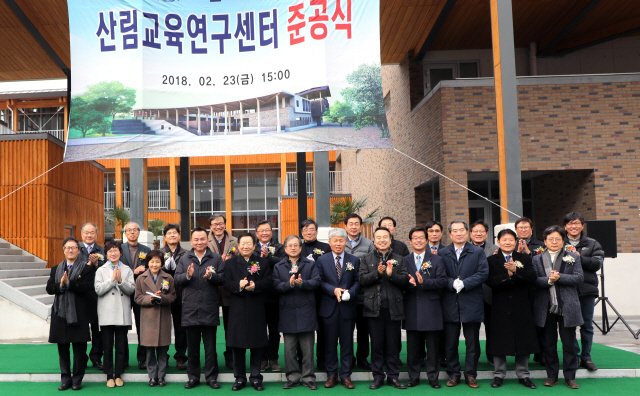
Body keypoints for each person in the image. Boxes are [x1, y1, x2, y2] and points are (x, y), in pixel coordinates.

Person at [532, 225, 584, 389]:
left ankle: (570, 377)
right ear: (545, 241)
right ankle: (552, 376)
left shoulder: (573, 257)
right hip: (545, 306)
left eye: (558, 239)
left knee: (568, 343)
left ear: (563, 241)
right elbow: (534, 280)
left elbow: (579, 278)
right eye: (550, 239)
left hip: (567, 305)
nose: (554, 242)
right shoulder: (536, 259)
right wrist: (549, 280)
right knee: (549, 343)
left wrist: (560, 277)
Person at [485, 229, 538, 389]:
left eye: (511, 240)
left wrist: (517, 271)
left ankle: (523, 375)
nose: (507, 242)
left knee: (523, 340)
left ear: (516, 242)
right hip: (499, 306)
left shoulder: (524, 259)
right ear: (499, 242)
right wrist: (507, 276)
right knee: (499, 340)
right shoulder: (491, 260)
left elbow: (532, 278)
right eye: (504, 240)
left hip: (521, 305)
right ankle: (499, 375)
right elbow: (489, 281)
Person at [439, 220, 488, 389]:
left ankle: (471, 374)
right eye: (455, 231)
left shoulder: (477, 252)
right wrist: (451, 283)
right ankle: (453, 374)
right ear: (450, 234)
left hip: (471, 302)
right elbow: (439, 275)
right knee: (450, 342)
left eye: (462, 230)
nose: (459, 233)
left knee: (472, 342)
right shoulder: (442, 252)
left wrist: (465, 283)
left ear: (467, 233)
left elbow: (483, 273)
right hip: (450, 302)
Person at [175, 227, 225, 389]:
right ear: (191, 241)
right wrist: (187, 276)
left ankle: (211, 377)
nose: (199, 242)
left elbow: (223, 279)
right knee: (193, 347)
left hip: (209, 307)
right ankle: (193, 377)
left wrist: (212, 276)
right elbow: (176, 279)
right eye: (196, 239)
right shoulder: (184, 259)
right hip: (190, 308)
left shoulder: (216, 258)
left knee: (210, 347)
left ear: (207, 240)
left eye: (202, 239)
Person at [359, 227, 409, 389]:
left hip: (394, 308)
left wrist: (390, 274)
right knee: (377, 344)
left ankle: (393, 377)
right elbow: (362, 280)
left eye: (385, 237)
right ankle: (378, 376)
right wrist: (378, 273)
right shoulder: (366, 259)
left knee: (393, 344)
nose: (382, 240)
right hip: (374, 308)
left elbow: (404, 281)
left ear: (390, 239)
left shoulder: (400, 259)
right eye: (378, 237)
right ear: (374, 240)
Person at [223, 233, 272, 391]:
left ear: (254, 245)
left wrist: (255, 286)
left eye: (249, 243)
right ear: (238, 245)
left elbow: (269, 282)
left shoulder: (263, 263)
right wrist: (238, 285)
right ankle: (239, 378)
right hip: (237, 308)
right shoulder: (230, 264)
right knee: (237, 345)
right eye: (243, 243)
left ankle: (256, 378)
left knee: (257, 345)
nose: (245, 246)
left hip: (256, 307)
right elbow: (226, 283)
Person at [273, 235, 321, 390]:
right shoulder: (279, 266)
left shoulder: (310, 264)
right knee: (289, 349)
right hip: (287, 312)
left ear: (301, 248)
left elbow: (317, 282)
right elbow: (276, 286)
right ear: (285, 248)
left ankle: (308, 378)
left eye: (296, 245)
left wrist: (302, 283)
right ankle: (292, 377)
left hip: (306, 310)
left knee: (307, 349)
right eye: (290, 245)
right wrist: (289, 284)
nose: (293, 248)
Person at [47, 237, 95, 391]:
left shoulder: (87, 269)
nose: (70, 250)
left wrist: (70, 284)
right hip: (60, 315)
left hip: (78, 315)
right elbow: (49, 288)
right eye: (68, 247)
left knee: (79, 350)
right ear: (63, 249)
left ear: (78, 250)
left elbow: (88, 288)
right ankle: (65, 379)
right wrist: (60, 286)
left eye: (74, 247)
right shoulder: (56, 269)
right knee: (63, 349)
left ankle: (77, 379)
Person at [403, 227, 447, 389]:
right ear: (410, 241)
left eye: (422, 237)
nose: (419, 240)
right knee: (413, 347)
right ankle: (413, 377)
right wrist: (409, 285)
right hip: (412, 307)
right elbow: (400, 283)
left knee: (433, 347)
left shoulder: (436, 260)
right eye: (415, 238)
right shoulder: (405, 260)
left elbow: (442, 282)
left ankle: (433, 377)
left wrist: (424, 282)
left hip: (431, 308)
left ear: (427, 240)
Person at [316, 228, 360, 390]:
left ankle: (346, 375)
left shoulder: (353, 260)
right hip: (329, 308)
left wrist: (351, 292)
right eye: (335, 240)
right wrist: (333, 290)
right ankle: (331, 374)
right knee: (329, 343)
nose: (338, 243)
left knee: (347, 343)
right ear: (330, 243)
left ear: (345, 242)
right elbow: (319, 281)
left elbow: (358, 281)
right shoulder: (322, 260)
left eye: (341, 240)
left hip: (347, 308)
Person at [563, 212, 604, 372]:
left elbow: (597, 264)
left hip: (587, 289)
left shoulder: (593, 244)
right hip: (567, 289)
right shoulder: (559, 241)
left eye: (577, 223)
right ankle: (573, 355)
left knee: (587, 325)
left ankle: (586, 357)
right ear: (565, 226)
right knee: (570, 325)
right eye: (570, 223)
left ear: (582, 225)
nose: (573, 226)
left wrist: (579, 257)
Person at [94, 241, 135, 388]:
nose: (113, 253)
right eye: (110, 251)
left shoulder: (127, 269)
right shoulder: (100, 270)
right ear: (106, 254)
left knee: (120, 346)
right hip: (106, 312)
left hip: (122, 313)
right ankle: (109, 375)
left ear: (120, 253)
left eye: (116, 250)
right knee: (107, 346)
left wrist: (120, 281)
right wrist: (112, 280)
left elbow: (131, 290)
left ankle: (118, 374)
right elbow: (98, 289)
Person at [134, 250, 176, 387]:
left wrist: (161, 298)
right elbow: (138, 298)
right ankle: (152, 376)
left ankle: (161, 376)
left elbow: (172, 296)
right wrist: (150, 298)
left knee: (163, 350)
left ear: (162, 263)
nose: (154, 264)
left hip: (163, 316)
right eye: (152, 261)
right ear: (148, 262)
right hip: (148, 319)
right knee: (150, 351)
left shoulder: (168, 278)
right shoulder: (141, 278)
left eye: (158, 261)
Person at [207, 214, 239, 370]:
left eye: (220, 223)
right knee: (210, 327)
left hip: (229, 288)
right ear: (210, 226)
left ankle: (231, 357)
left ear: (225, 224)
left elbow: (240, 261)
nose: (217, 226)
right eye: (214, 224)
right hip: (211, 288)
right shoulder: (204, 240)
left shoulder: (235, 241)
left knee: (230, 326)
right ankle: (212, 359)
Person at [343, 213, 373, 370]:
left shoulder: (369, 244)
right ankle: (348, 359)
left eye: (356, 223)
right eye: (351, 223)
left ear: (360, 226)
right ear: (345, 226)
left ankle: (362, 358)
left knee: (363, 331)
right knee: (346, 331)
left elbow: (371, 265)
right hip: (343, 295)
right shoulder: (340, 242)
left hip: (362, 295)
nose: (354, 226)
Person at [299, 219, 330, 371]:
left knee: (324, 331)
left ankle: (323, 361)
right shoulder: (298, 248)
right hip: (303, 295)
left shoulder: (325, 247)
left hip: (323, 295)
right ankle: (302, 362)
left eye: (311, 229)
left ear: (316, 231)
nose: (309, 232)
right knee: (304, 331)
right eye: (305, 229)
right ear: (301, 233)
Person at [254, 220, 285, 372]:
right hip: (257, 295)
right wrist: (261, 258)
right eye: (261, 230)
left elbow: (284, 262)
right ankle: (261, 359)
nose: (265, 233)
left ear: (272, 232)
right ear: (256, 233)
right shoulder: (252, 247)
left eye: (267, 230)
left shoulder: (279, 247)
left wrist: (269, 258)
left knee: (274, 330)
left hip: (274, 296)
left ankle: (273, 359)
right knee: (259, 329)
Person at [119, 222, 150, 369]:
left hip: (141, 292)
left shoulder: (146, 250)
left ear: (139, 232)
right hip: (123, 292)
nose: (132, 232)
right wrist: (133, 270)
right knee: (123, 326)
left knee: (141, 325)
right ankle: (123, 359)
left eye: (135, 230)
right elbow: (116, 268)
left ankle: (142, 358)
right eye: (129, 230)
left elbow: (151, 268)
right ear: (125, 233)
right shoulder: (119, 249)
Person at [469, 219, 499, 365]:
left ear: (487, 234)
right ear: (470, 233)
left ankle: (492, 355)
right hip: (471, 294)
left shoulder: (495, 249)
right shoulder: (465, 249)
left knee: (492, 327)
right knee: (472, 330)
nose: (478, 234)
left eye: (482, 231)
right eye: (475, 231)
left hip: (489, 294)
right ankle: (474, 357)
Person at [160, 223, 188, 370]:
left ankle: (181, 357)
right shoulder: (158, 252)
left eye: (175, 233)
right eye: (169, 233)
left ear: (179, 235)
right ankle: (163, 357)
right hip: (163, 294)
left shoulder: (186, 253)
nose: (172, 235)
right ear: (164, 236)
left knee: (180, 327)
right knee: (163, 326)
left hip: (181, 295)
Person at [78, 222, 105, 370]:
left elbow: (106, 269)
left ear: (96, 234)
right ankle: (81, 357)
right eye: (86, 233)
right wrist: (89, 265)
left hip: (97, 295)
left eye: (92, 232)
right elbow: (75, 270)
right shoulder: (76, 249)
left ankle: (96, 357)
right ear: (82, 234)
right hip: (81, 294)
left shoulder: (102, 250)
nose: (89, 235)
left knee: (97, 328)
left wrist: (96, 265)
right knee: (81, 329)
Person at [425, 220, 446, 368]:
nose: (434, 233)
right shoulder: (418, 250)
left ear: (442, 233)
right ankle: (421, 357)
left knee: (441, 329)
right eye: (431, 231)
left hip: (443, 295)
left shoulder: (446, 251)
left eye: (437, 231)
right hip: (423, 296)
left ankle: (441, 357)